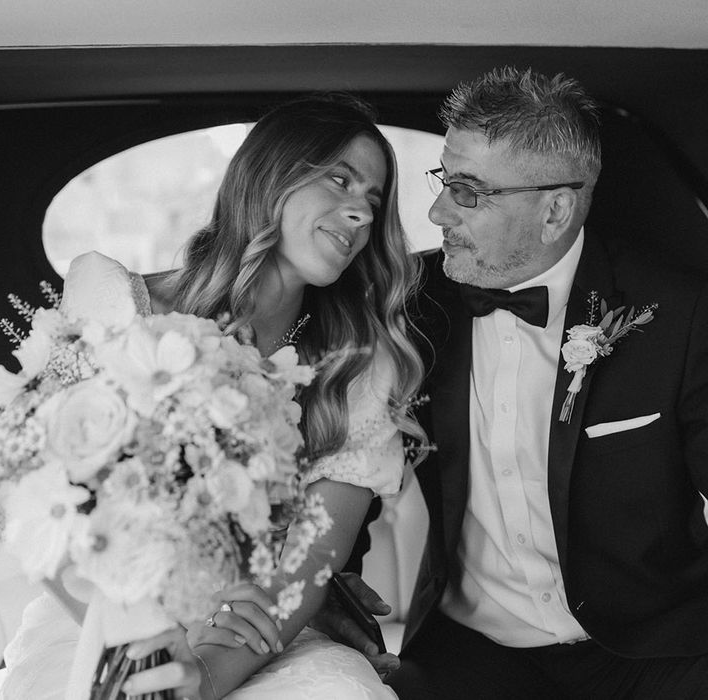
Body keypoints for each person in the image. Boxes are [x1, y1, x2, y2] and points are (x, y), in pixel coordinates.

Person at [224, 66, 708, 698]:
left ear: (555, 210)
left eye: (468, 191)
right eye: (443, 181)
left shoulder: (680, 313)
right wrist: (330, 583)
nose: (437, 210)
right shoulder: (408, 311)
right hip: (472, 656)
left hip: (657, 649)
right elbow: (344, 447)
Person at [0, 93, 427, 699]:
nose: (360, 213)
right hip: (103, 614)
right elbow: (46, 512)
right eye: (340, 180)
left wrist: (202, 676)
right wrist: (142, 645)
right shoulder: (118, 309)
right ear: (270, 177)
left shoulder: (356, 367)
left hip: (257, 631)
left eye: (374, 200)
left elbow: (305, 572)